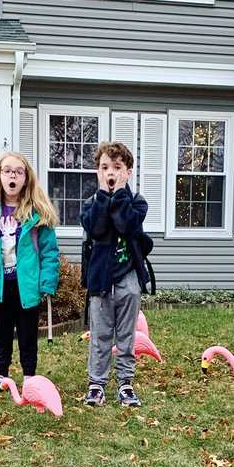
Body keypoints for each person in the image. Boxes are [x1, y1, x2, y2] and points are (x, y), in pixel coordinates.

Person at [0, 151, 61, 387]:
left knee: (28, 332)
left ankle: (29, 376)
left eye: (19, 172)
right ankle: (2, 375)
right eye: (7, 171)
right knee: (3, 331)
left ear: (26, 178)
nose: (13, 176)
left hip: (27, 285)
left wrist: (47, 281)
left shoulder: (37, 213)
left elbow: (50, 251)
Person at [80, 141, 151, 408]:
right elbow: (96, 229)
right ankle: (96, 384)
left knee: (126, 335)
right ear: (98, 172)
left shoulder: (137, 203)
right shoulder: (90, 203)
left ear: (128, 172)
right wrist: (103, 195)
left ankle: (125, 383)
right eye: (105, 167)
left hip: (128, 279)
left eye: (117, 167)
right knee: (100, 334)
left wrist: (119, 194)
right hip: (100, 280)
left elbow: (127, 225)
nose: (111, 172)